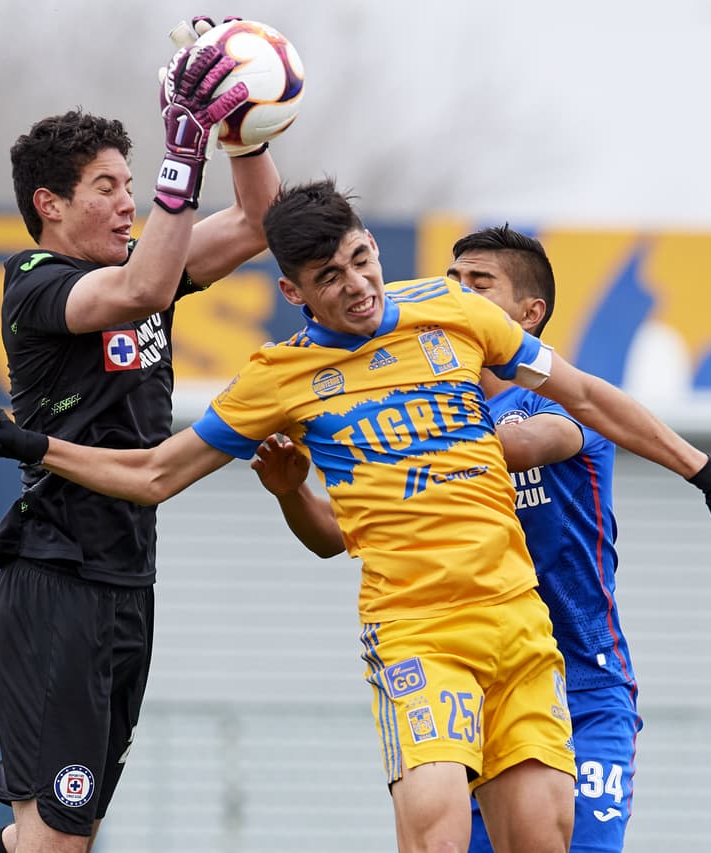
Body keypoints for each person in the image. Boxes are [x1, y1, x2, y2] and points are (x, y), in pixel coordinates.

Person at [0, 179, 711, 853]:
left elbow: (587, 396)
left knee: (545, 837)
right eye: (329, 278)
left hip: (520, 631)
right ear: (293, 290)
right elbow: (153, 475)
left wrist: (709, 475)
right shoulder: (278, 378)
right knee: (434, 830)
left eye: (361, 260)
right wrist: (35, 444)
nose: (355, 287)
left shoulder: (455, 313)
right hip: (419, 636)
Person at [0, 33, 284, 853]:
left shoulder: (146, 265)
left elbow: (258, 222)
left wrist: (241, 131)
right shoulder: (34, 285)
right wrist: (184, 147)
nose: (126, 202)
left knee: (69, 836)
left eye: (133, 183)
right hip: (58, 576)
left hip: (127, 579)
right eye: (105, 186)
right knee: (57, 838)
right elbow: (141, 288)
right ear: (50, 205)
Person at [249, 225, 648, 852]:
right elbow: (333, 536)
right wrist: (294, 491)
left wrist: (384, 432)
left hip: (582, 679)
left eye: (476, 284)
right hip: (461, 672)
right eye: (451, 280)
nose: (454, 293)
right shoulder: (427, 401)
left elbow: (534, 439)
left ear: (528, 314)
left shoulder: (558, 401)